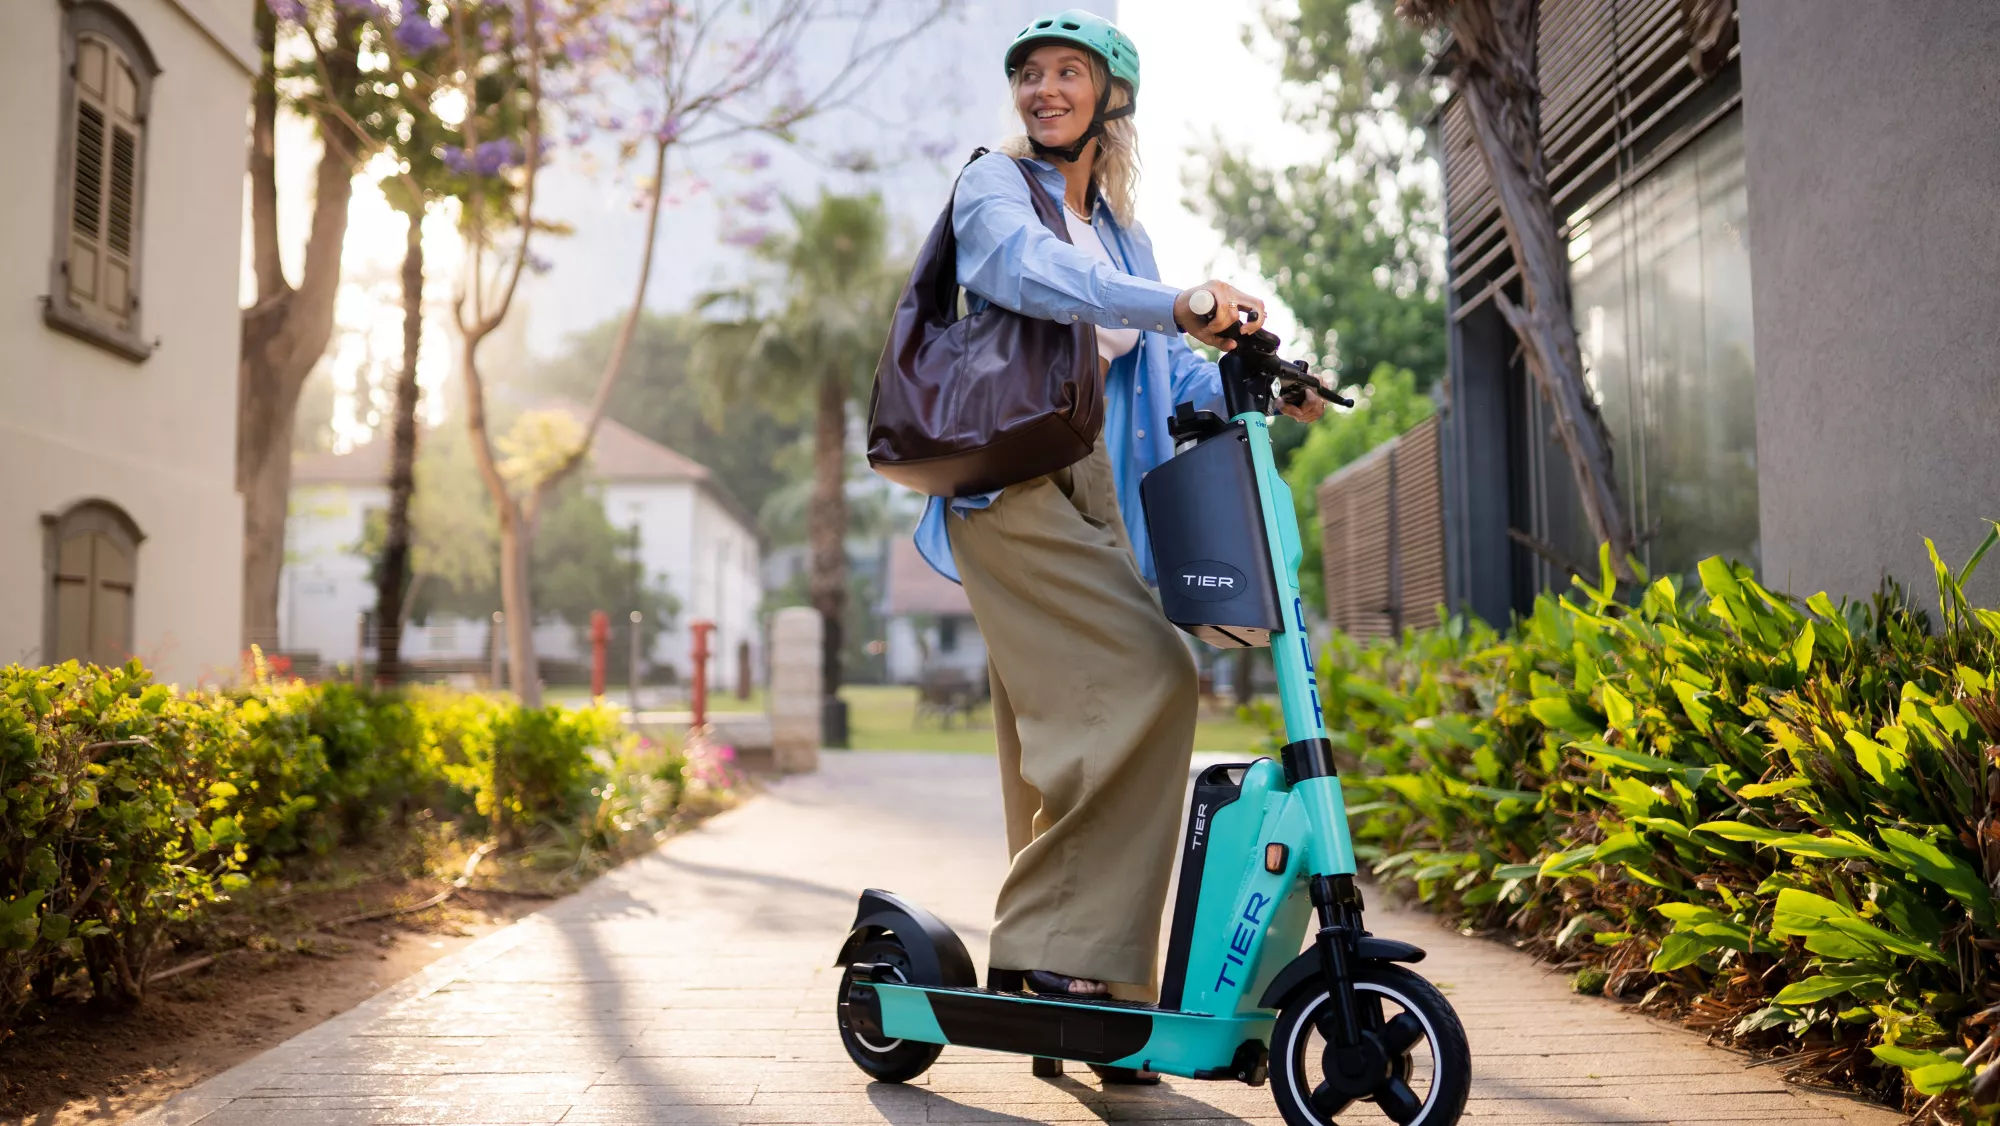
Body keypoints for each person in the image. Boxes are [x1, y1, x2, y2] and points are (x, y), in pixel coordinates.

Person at [909, 7, 1330, 1042]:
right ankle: (1052, 952)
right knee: (1149, 672)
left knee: (1055, 725)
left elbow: (1152, 353)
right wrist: (1170, 298)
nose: (1043, 90)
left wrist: (1271, 379)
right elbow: (1032, 278)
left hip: (1092, 483)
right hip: (1009, 477)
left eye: (1067, 72)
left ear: (1111, 96)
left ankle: (1094, 978)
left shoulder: (1125, 233)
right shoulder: (993, 187)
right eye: (1029, 74)